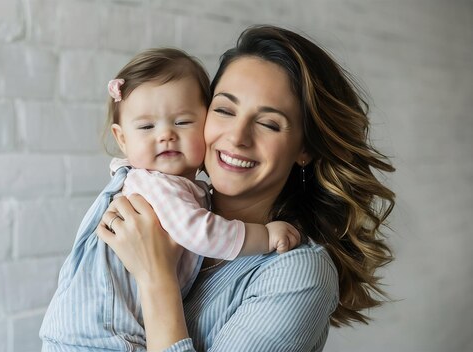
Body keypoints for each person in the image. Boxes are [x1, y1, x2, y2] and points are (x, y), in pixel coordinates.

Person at [96, 25, 396, 351]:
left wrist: (156, 279)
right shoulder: (165, 207)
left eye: (268, 123)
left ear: (304, 148)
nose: (238, 137)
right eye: (225, 110)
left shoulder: (298, 273)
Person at [40, 48, 301, 351]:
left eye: (182, 122)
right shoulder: (157, 187)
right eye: (147, 127)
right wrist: (265, 235)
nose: (165, 135)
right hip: (103, 337)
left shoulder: (296, 274)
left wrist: (157, 277)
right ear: (122, 138)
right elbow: (200, 232)